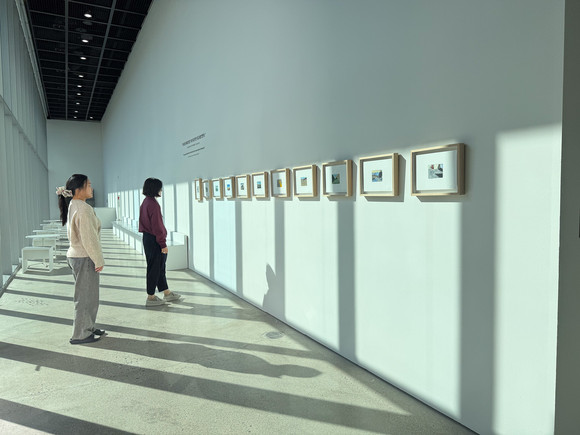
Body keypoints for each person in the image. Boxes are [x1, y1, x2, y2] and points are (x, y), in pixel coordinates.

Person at [57, 174, 105, 344]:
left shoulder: (74, 204)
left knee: (88, 296)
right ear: (78, 189)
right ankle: (81, 334)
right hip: (84, 257)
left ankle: (88, 327)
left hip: (76, 256)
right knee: (85, 298)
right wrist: (98, 259)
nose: (91, 188)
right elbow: (89, 238)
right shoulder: (83, 209)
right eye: (88, 185)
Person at [139, 178, 181, 306]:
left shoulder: (146, 202)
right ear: (154, 188)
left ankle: (166, 292)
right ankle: (151, 297)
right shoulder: (153, 204)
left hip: (148, 238)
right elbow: (157, 226)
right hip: (154, 240)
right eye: (159, 187)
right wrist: (162, 244)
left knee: (159, 267)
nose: (161, 190)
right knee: (155, 268)